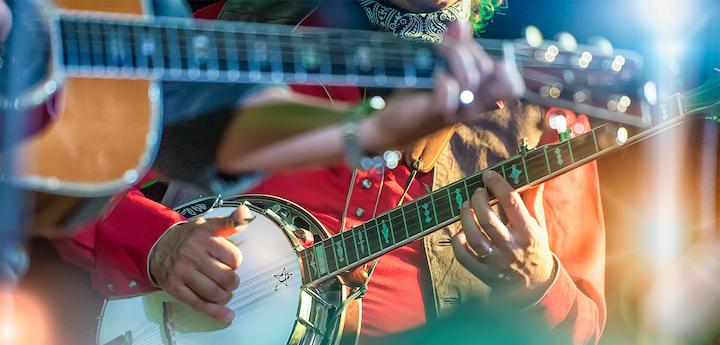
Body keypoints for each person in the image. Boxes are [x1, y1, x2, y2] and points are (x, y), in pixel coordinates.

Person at [56, 1, 606, 344]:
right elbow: (62, 166)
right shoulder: (235, 30)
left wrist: (538, 284)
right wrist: (159, 242)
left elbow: (585, 325)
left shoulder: (545, 121)